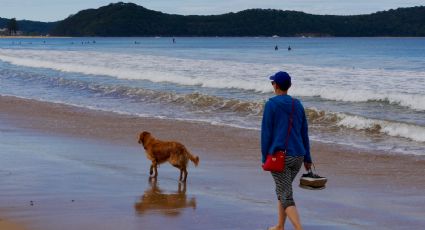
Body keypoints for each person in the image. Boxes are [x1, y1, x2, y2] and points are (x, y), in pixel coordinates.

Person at [261, 71, 312, 230]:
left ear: (276, 85)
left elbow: (266, 133)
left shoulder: (271, 104)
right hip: (298, 156)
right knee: (283, 190)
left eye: (272, 83)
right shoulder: (298, 104)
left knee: (285, 195)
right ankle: (280, 226)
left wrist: (265, 158)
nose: (272, 85)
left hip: (280, 157)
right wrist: (307, 158)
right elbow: (304, 132)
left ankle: (299, 228)